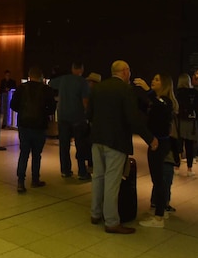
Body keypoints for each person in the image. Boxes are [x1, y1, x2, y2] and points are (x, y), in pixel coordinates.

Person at [87, 60, 157, 235]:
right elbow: (133, 118)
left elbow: (89, 114)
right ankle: (111, 221)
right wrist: (150, 139)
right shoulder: (126, 90)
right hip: (116, 142)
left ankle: (95, 214)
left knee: (98, 177)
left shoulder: (98, 88)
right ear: (125, 72)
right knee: (112, 181)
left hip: (97, 139)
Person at [133, 74, 178, 228]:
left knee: (158, 180)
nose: (153, 81)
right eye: (153, 79)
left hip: (159, 145)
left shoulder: (166, 102)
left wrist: (147, 90)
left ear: (164, 84)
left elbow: (159, 105)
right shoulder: (157, 102)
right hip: (157, 143)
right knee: (158, 179)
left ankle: (159, 217)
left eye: (157, 79)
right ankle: (160, 209)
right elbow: (147, 107)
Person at [11, 66, 57, 193]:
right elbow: (52, 108)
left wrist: (22, 112)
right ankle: (35, 180)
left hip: (24, 125)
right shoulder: (46, 90)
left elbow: (13, 105)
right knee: (37, 154)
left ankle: (20, 182)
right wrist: (44, 113)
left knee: (24, 153)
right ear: (41, 76)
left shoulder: (21, 88)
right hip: (39, 126)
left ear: (29, 76)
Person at [49, 61, 92, 181]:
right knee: (80, 145)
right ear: (81, 69)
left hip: (63, 117)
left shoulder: (63, 79)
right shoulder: (83, 82)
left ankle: (65, 170)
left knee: (64, 145)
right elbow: (85, 102)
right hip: (78, 118)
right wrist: (88, 116)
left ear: (72, 68)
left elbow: (51, 83)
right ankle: (82, 172)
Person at [175, 73, 198, 177]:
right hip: (190, 122)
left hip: (179, 121)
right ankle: (189, 169)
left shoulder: (178, 93)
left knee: (177, 146)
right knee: (189, 146)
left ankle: (176, 166)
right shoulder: (194, 92)